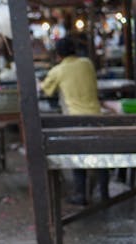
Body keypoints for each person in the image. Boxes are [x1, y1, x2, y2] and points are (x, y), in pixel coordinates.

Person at [41, 37, 109, 206]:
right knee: (101, 155)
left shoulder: (58, 70)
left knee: (77, 155)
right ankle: (105, 193)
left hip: (75, 119)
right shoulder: (87, 64)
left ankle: (80, 194)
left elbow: (47, 91)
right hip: (97, 117)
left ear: (58, 55)